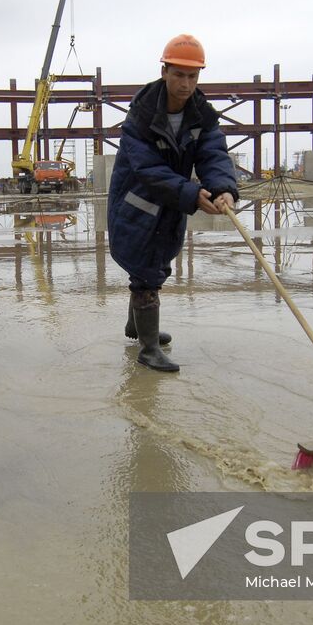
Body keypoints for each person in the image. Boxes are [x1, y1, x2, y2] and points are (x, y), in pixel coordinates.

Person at [107, 33, 239, 373]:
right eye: (179, 74)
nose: (185, 83)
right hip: (137, 202)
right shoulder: (140, 117)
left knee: (154, 263)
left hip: (171, 201)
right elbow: (148, 169)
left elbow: (213, 154)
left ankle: (135, 326)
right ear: (164, 71)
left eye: (193, 76)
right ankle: (149, 350)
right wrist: (192, 194)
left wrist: (223, 187)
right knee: (146, 268)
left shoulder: (201, 114)